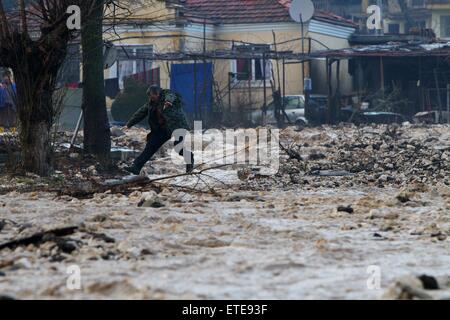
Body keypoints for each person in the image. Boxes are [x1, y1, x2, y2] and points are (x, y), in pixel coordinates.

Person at [123, 85, 194, 175]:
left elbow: (171, 96)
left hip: (178, 125)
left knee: (178, 147)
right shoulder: (151, 104)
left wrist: (168, 102)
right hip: (163, 128)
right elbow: (140, 113)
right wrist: (129, 124)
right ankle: (136, 167)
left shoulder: (167, 94)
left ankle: (190, 159)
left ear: (158, 93)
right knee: (150, 146)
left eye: (153, 96)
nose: (151, 98)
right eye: (150, 97)